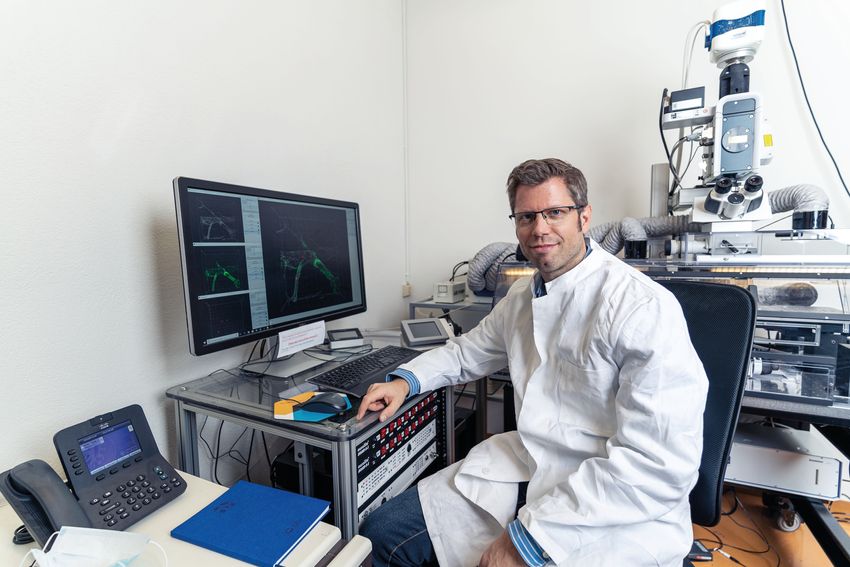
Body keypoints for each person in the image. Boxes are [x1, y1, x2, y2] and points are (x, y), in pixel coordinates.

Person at [357, 158, 709, 566]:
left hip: (614, 504)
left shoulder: (640, 307)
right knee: (380, 535)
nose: (539, 228)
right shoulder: (522, 298)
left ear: (584, 217)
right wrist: (406, 380)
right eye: (526, 217)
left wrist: (526, 540)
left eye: (555, 212)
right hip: (530, 466)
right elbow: (468, 351)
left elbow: (656, 464)